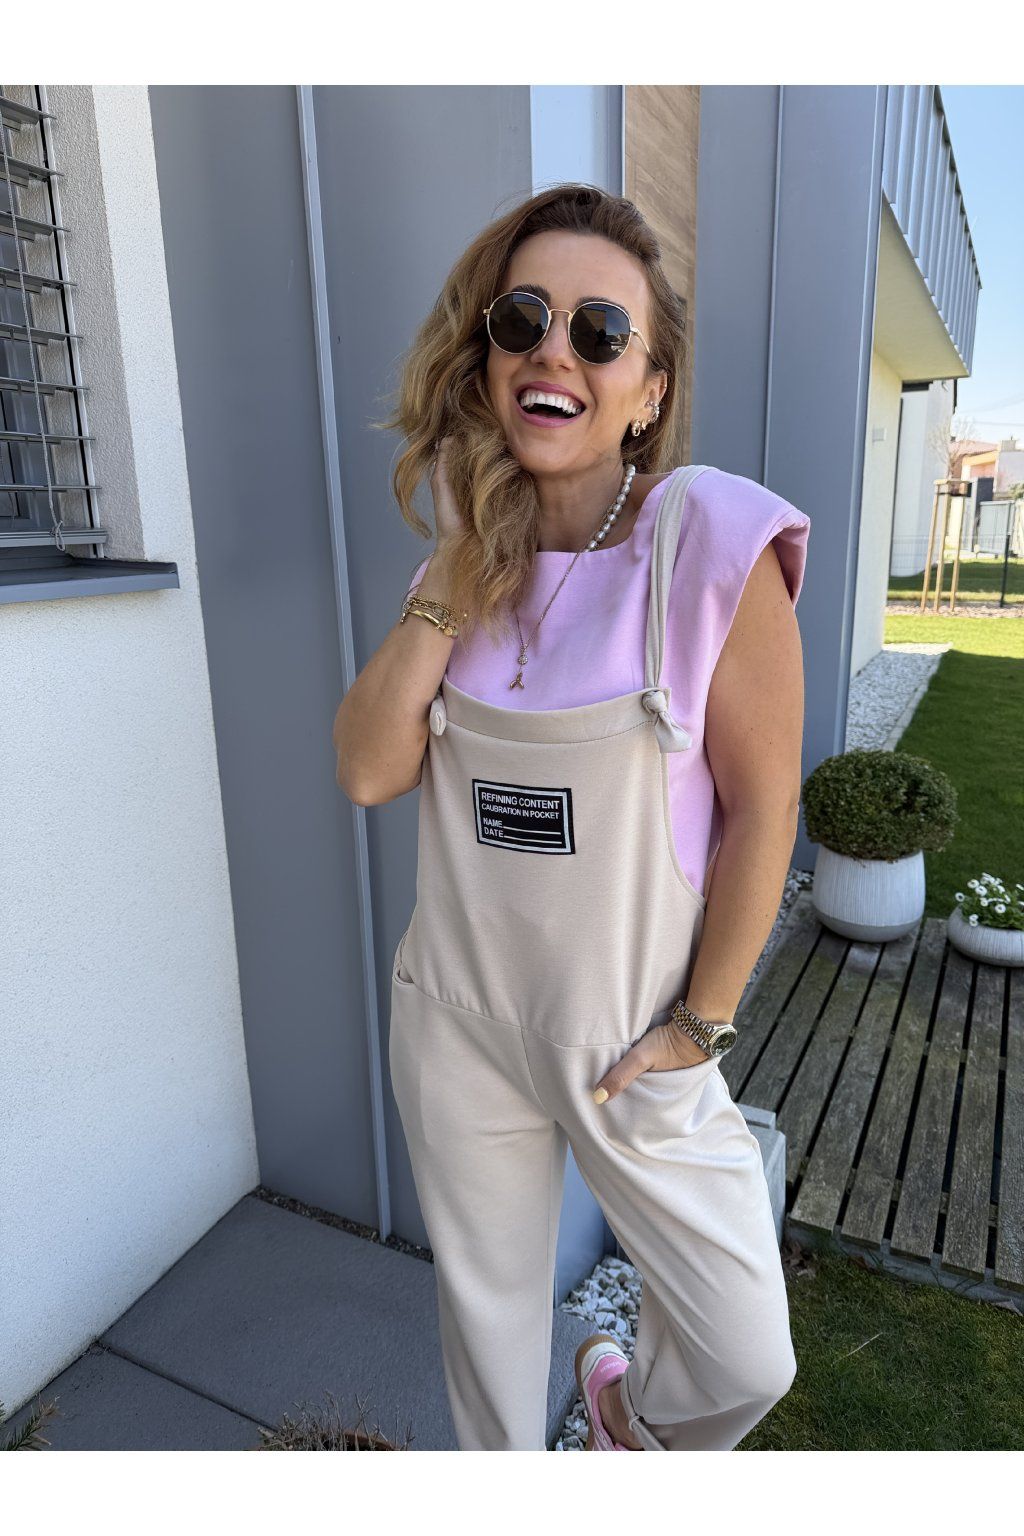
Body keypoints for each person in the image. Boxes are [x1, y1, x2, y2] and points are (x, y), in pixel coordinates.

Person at [334, 183, 809, 1452]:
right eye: (522, 319)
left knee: (743, 1353)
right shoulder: (458, 566)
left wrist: (700, 1023)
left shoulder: (709, 541)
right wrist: (449, 574)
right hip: (457, 1023)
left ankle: (622, 1422)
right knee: (487, 1344)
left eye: (600, 332)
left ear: (648, 391)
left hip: (628, 1042)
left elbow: (765, 807)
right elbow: (368, 770)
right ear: (485, 356)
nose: (555, 350)